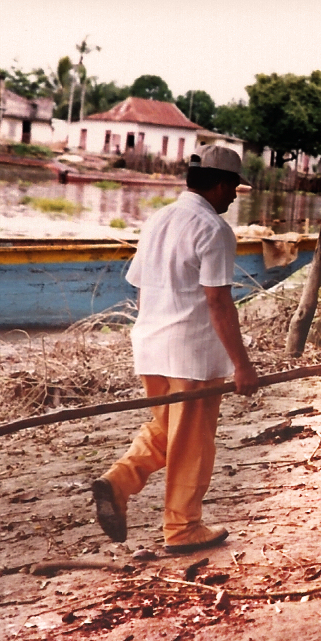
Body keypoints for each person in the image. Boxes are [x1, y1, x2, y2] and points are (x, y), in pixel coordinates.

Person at [91, 145, 259, 554]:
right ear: (219, 184)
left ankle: (119, 481)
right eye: (233, 188)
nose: (235, 196)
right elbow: (219, 303)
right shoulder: (214, 231)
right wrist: (242, 365)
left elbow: (140, 283)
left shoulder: (158, 219)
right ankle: (183, 527)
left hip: (150, 343)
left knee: (169, 431)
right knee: (193, 442)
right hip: (192, 352)